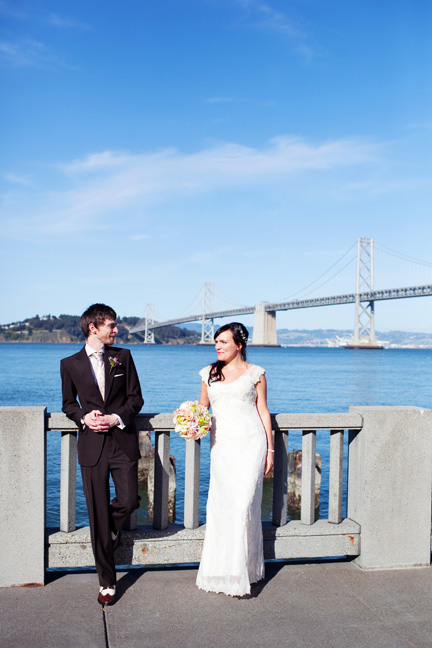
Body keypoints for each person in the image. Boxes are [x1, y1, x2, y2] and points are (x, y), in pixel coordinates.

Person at [60, 304, 143, 606]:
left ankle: (108, 529)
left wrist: (116, 417)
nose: (116, 330)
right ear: (93, 328)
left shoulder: (123, 357)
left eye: (115, 325)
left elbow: (136, 398)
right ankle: (107, 582)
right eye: (111, 325)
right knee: (95, 510)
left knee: (129, 499)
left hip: (122, 441)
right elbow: (68, 404)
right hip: (92, 445)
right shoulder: (69, 364)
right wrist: (84, 417)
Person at [196, 322, 274, 597]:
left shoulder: (256, 373)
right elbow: (202, 408)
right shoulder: (208, 374)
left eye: (223, 342)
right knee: (223, 508)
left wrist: (271, 450)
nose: (217, 346)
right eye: (216, 342)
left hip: (251, 444)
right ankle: (221, 570)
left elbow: (263, 411)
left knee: (243, 507)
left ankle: (244, 571)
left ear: (239, 345)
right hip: (222, 448)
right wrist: (190, 422)